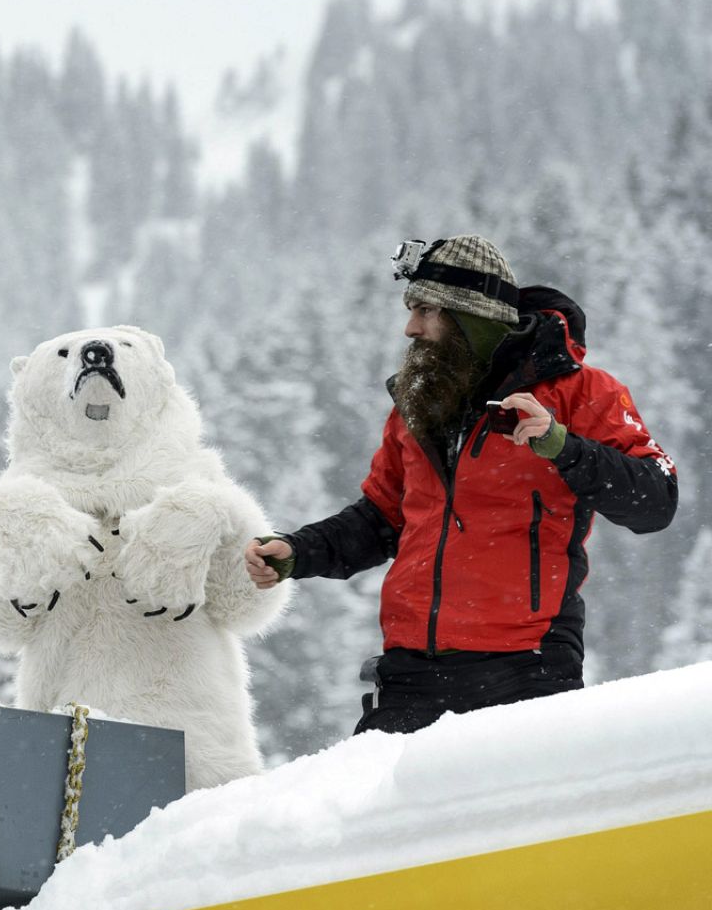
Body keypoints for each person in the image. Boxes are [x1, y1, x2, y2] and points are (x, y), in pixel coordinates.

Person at [243, 235, 678, 735]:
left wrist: (562, 445)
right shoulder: (420, 401)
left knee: (526, 815)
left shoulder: (584, 392)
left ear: (473, 316)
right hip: (411, 671)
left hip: (526, 668)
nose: (410, 328)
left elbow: (657, 498)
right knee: (376, 812)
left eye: (426, 310)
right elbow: (382, 518)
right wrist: (299, 551)